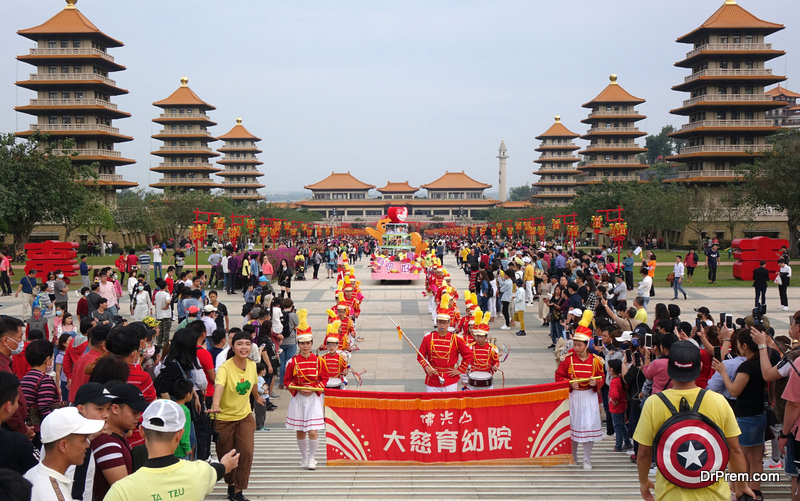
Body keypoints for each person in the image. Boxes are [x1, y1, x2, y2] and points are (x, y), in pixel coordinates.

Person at [635, 340, 755, 501]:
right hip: (715, 496)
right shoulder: (718, 401)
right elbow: (735, 450)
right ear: (699, 368)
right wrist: (742, 486)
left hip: (670, 495)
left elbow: (643, 452)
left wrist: (644, 481)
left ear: (670, 368)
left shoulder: (653, 403)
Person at [104, 399, 240, 501]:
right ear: (180, 434)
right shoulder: (199, 472)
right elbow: (217, 470)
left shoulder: (121, 491)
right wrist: (226, 465)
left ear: (141, 431)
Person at [711, 327, 778, 496]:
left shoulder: (746, 367)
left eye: (739, 344)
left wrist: (723, 372)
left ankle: (736, 492)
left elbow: (734, 391)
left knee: (737, 459)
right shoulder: (763, 364)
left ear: (745, 346)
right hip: (760, 415)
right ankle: (755, 492)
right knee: (756, 459)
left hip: (745, 418)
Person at [209, 331, 263, 500]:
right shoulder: (225, 367)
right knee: (227, 454)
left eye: (247, 344)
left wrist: (257, 397)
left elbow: (253, 383)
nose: (244, 347)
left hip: (244, 416)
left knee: (246, 452)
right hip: (224, 418)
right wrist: (216, 405)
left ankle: (239, 490)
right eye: (240, 344)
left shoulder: (252, 365)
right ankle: (231, 485)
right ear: (232, 346)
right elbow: (219, 386)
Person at [25, 407, 104, 501]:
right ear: (63, 446)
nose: (87, 445)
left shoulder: (32, 474)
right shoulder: (52, 495)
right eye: (83, 439)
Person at [554, 327, 604, 470]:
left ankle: (587, 459)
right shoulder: (567, 360)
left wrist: (597, 383)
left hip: (589, 397)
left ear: (587, 344)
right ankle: (573, 456)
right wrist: (569, 383)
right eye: (575, 344)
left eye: (579, 345)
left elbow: (602, 377)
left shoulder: (596, 361)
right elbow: (558, 377)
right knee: (573, 426)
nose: (576, 347)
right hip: (574, 397)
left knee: (588, 426)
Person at [91, 383, 149, 500]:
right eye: (134, 412)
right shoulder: (107, 443)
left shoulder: (117, 437)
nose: (138, 417)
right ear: (115, 408)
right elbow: (124, 490)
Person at [283, 317, 327, 470]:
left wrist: (314, 389)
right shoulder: (292, 362)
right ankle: (304, 457)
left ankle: (313, 458)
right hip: (299, 398)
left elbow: (324, 378)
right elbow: (287, 380)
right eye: (302, 343)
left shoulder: (319, 361)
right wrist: (299, 389)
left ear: (312, 343)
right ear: (298, 344)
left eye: (308, 343)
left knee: (313, 431)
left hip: (314, 398)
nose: (305, 346)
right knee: (301, 430)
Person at [417, 294, 474, 392]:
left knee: (450, 404)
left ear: (448, 323)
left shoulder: (457, 339)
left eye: (444, 322)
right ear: (436, 323)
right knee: (432, 405)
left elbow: (468, 355)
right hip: (433, 378)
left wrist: (460, 370)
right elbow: (420, 355)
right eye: (440, 322)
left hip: (450, 378)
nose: (442, 325)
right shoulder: (428, 337)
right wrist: (426, 367)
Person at [20, 338, 60, 447]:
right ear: (47, 360)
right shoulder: (45, 380)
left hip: (29, 428)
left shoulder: (24, 379)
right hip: (41, 431)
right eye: (51, 358)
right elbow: (44, 410)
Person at [0, 372, 37, 475]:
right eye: (17, 401)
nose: (17, 406)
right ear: (8, 406)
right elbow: (37, 472)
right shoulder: (18, 442)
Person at [607, 358, 632, 452]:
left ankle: (618, 446)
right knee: (622, 424)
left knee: (617, 426)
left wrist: (614, 401)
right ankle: (627, 442)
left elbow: (614, 394)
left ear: (612, 369)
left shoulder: (614, 381)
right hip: (623, 405)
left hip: (616, 407)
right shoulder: (621, 378)